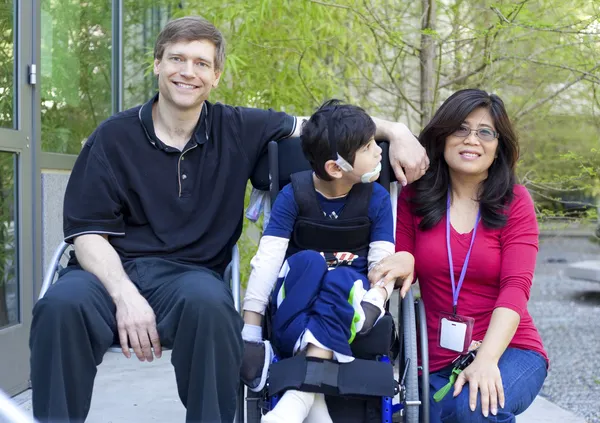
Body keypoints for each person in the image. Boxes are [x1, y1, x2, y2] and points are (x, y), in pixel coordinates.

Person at [29, 16, 429, 423]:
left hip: (191, 276)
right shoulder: (112, 137)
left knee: (213, 309)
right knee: (59, 307)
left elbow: (321, 129)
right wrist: (125, 296)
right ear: (157, 65)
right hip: (107, 273)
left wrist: (395, 130)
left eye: (201, 63)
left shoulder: (238, 127)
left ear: (216, 75)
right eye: (177, 59)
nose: (188, 71)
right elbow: (87, 235)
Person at [370, 89, 548, 423]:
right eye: (461, 129)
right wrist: (394, 130)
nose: (472, 140)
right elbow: (339, 128)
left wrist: (487, 359)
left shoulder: (515, 202)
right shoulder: (413, 197)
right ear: (442, 136)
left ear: (498, 147)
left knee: (474, 408)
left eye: (485, 132)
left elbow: (516, 288)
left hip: (510, 349)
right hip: (435, 360)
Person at [240, 99, 416, 423]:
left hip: (353, 303)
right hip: (296, 306)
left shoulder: (375, 198)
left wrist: (376, 301)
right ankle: (310, 400)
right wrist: (251, 331)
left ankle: (301, 400)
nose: (379, 151)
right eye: (367, 147)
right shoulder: (293, 195)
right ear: (337, 167)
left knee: (345, 278)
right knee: (308, 262)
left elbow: (382, 265)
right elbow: (267, 261)